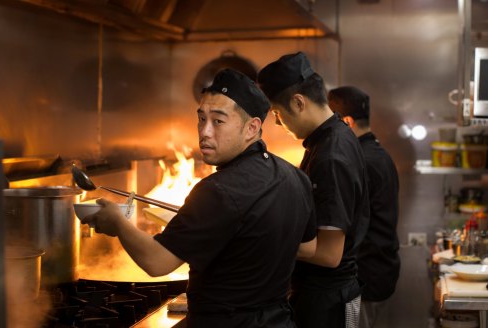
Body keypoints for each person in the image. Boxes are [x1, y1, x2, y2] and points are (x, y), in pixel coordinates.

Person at [81, 68, 318, 328]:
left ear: (252, 128)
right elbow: (308, 246)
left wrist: (117, 222)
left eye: (218, 121)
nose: (204, 132)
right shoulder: (295, 178)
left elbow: (157, 262)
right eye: (201, 119)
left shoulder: (217, 190)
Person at [257, 52, 370, 328]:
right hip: (332, 297)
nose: (278, 123)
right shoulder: (335, 136)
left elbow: (329, 254)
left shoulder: (331, 156)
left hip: (328, 303)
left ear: (298, 102)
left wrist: (257, 238)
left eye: (276, 113)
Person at [328, 86, 400, 328]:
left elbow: (350, 225)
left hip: (365, 279)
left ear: (346, 122)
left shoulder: (361, 161)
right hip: (380, 272)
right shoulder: (379, 155)